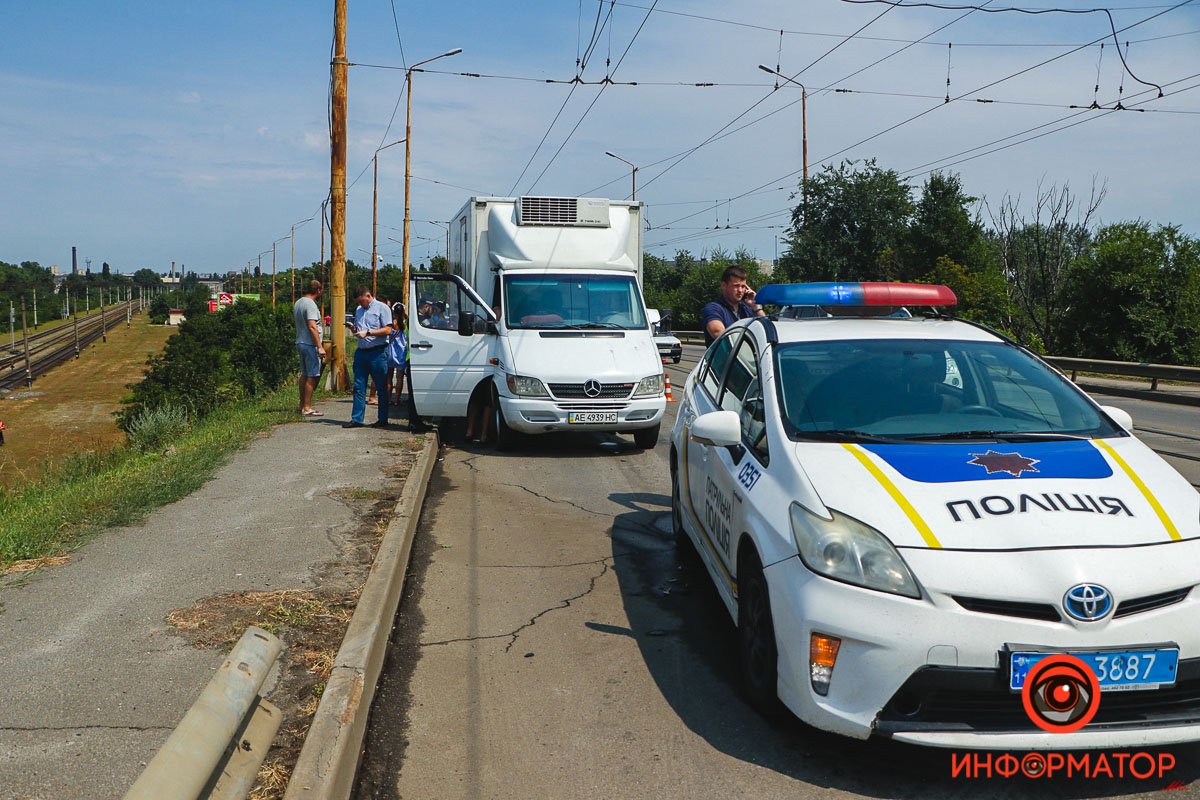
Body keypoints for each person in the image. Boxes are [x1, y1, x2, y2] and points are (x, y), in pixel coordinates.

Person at [343, 286, 393, 429]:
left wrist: (369, 332)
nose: (360, 305)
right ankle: (357, 419)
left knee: (381, 386)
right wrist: (354, 329)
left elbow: (388, 330)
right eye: (358, 303)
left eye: (361, 301)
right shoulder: (359, 311)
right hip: (361, 351)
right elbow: (361, 328)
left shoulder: (382, 308)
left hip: (377, 352)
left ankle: (383, 419)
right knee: (359, 386)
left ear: (368, 296)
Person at [702, 265, 765, 346]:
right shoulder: (714, 308)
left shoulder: (747, 309)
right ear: (724, 285)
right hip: (725, 358)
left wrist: (756, 307)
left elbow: (765, 330)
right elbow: (717, 333)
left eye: (743, 286)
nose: (740, 290)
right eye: (736, 286)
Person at [293, 279, 326, 417]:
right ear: (318, 291)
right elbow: (312, 326)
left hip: (300, 341)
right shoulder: (311, 304)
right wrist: (320, 346)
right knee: (312, 375)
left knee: (305, 374)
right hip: (310, 344)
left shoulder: (299, 302)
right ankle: (307, 407)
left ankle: (302, 405)